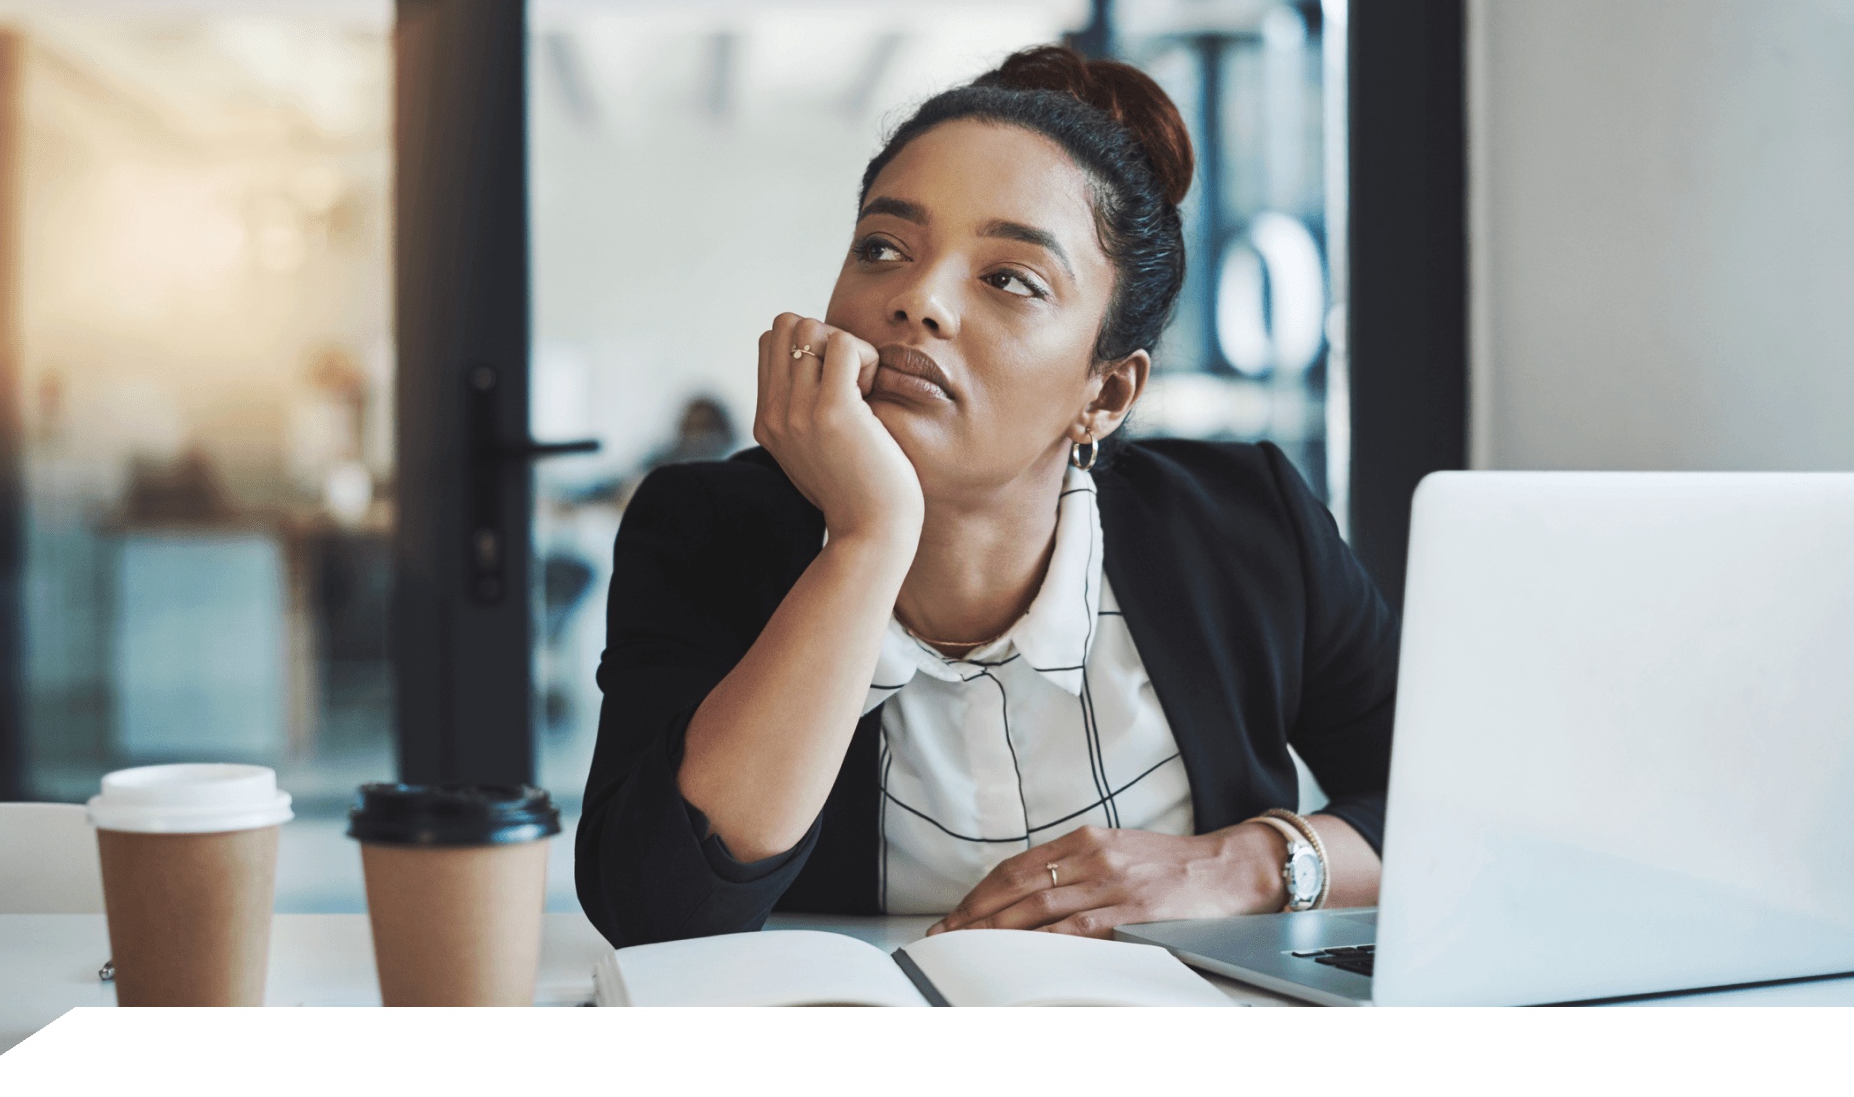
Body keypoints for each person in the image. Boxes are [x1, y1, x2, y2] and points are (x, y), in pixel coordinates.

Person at [576, 46, 1397, 948]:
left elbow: (1458, 813)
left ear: (1107, 393)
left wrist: (1245, 865)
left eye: (1010, 278)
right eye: (882, 249)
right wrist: (867, 537)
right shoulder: (705, 527)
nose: (917, 299)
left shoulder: (1251, 521)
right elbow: (653, 910)